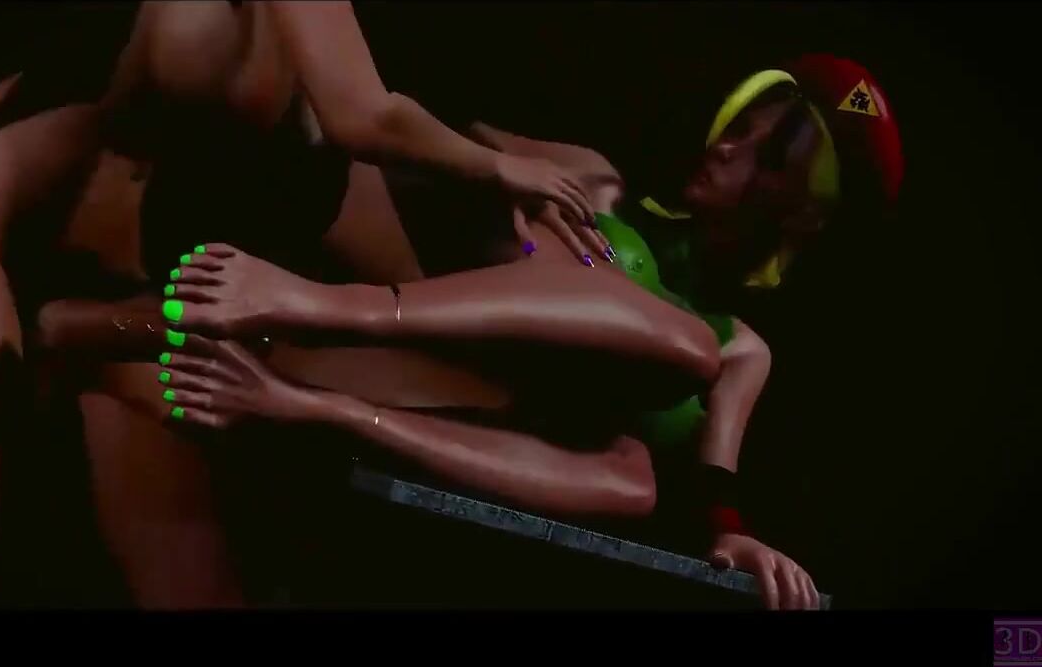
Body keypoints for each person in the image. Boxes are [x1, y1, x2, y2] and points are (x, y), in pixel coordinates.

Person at [0, 0, 608, 608]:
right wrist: (497, 172)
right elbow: (363, 119)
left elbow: (365, 156)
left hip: (132, 288)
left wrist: (524, 174)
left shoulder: (332, 109)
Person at [132, 53, 902, 609]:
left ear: (800, 215)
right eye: (741, 124)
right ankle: (308, 306)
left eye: (768, 155)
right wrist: (500, 187)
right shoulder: (593, 183)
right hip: (416, 329)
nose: (727, 145)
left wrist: (735, 536)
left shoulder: (736, 344)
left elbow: (711, 488)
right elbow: (430, 137)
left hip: (485, 426)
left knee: (637, 474)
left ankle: (314, 404)